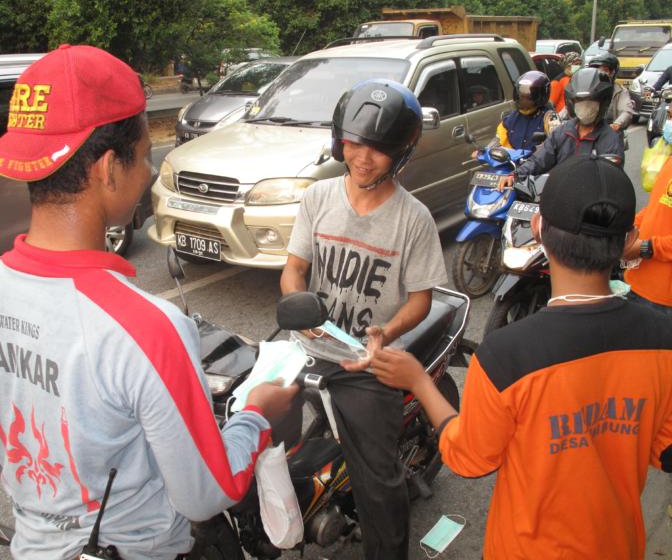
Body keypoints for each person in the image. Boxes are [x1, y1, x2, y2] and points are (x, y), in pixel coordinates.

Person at [0, 44, 297, 560]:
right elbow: (205, 492)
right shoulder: (146, 327)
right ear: (109, 168)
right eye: (143, 158)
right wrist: (254, 416)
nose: (149, 174)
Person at [367, 156, 672, 559]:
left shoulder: (507, 355)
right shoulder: (663, 339)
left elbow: (469, 458)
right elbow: (663, 452)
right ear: (628, 238)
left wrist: (420, 381)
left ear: (538, 228)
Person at [280, 79, 447, 559]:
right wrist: (299, 310)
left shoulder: (412, 219)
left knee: (378, 479)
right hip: (307, 345)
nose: (363, 157)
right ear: (340, 140)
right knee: (250, 426)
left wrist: (385, 333)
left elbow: (420, 299)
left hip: (365, 359)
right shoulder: (318, 198)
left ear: (401, 153)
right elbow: (294, 270)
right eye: (355, 143)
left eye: (379, 148)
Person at [498, 67, 624, 190]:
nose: (585, 108)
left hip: (589, 202)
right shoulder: (562, 131)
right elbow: (540, 159)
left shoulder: (610, 140)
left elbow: (609, 180)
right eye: (580, 102)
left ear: (602, 104)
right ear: (572, 103)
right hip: (557, 194)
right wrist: (515, 174)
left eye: (591, 103)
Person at [622, 104, 672, 314]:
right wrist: (628, 228)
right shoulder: (670, 161)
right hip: (640, 285)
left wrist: (646, 248)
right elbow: (656, 208)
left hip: (664, 301)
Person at [486, 70, 553, 152]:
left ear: (540, 96)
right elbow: (499, 138)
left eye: (528, 97)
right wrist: (486, 151)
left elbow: (554, 145)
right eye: (521, 96)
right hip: (514, 163)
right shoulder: (512, 117)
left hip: (538, 163)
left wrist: (536, 153)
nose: (523, 100)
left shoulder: (549, 118)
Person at [586, 52, 635, 134]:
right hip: (585, 133)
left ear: (612, 72)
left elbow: (626, 111)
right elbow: (570, 106)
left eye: (605, 70)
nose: (600, 73)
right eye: (595, 70)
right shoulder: (585, 89)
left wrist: (617, 124)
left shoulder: (620, 91)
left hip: (609, 135)